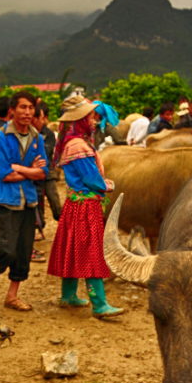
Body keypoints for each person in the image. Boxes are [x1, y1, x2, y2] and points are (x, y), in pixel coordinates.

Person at [47, 97, 125, 319]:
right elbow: (92, 179)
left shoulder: (72, 142)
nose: (94, 120)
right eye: (91, 116)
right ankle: (99, 304)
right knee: (91, 253)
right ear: (80, 118)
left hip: (75, 203)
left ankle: (68, 295)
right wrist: (107, 184)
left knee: (73, 248)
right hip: (86, 205)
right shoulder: (79, 146)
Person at [0, 91, 48, 311]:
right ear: (13, 110)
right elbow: (3, 174)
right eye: (23, 107)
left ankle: (12, 296)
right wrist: (31, 170)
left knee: (23, 251)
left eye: (31, 108)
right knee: (5, 250)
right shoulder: (0, 137)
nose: (27, 112)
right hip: (4, 199)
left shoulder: (37, 138)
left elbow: (43, 173)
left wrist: (20, 168)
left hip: (28, 201)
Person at [32, 103, 61, 237]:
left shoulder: (48, 133)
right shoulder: (29, 133)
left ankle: (62, 223)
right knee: (37, 202)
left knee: (53, 199)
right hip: (34, 174)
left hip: (48, 172)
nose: (41, 121)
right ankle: (40, 229)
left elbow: (46, 151)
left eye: (42, 117)